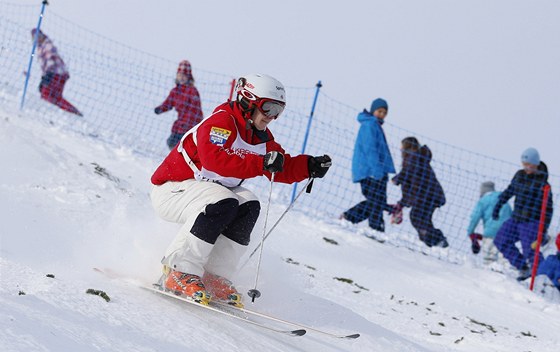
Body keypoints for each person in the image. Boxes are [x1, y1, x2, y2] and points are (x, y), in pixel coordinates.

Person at [150, 73, 332, 307]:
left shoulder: (260, 138)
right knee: (224, 200)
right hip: (171, 191)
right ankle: (178, 269)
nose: (272, 117)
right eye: (268, 107)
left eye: (278, 110)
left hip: (205, 195)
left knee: (249, 205)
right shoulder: (221, 122)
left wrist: (308, 166)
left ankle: (214, 275)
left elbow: (280, 166)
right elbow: (215, 160)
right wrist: (260, 162)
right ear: (248, 100)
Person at [492, 148, 554, 281]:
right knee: (501, 240)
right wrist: (499, 205)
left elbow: (548, 210)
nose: (526, 167)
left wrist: (543, 230)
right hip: (516, 218)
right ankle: (523, 268)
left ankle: (542, 277)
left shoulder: (543, 184)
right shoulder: (519, 175)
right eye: (524, 164)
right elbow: (510, 190)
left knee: (530, 250)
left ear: (536, 164)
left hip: (532, 221)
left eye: (529, 165)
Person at [341, 98, 396, 232]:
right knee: (376, 202)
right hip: (370, 171)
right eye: (379, 111)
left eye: (384, 112)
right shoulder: (370, 125)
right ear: (373, 110)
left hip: (376, 171)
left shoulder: (375, 125)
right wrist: (377, 171)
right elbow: (370, 149)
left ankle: (349, 217)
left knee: (375, 202)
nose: (382, 114)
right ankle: (375, 229)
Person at [391, 137, 448, 248]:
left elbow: (410, 176)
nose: (400, 150)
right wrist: (402, 203)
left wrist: (398, 178)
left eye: (402, 147)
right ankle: (431, 242)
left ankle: (436, 240)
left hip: (427, 196)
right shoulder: (418, 159)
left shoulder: (413, 159)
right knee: (423, 219)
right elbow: (411, 183)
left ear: (407, 147)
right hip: (431, 195)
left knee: (416, 216)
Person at [31, 28, 82, 116]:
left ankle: (70, 113)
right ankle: (71, 112)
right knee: (54, 96)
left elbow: (51, 59)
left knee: (46, 93)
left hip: (56, 73)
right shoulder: (40, 47)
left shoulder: (47, 45)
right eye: (35, 38)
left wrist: (48, 74)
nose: (37, 39)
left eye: (39, 36)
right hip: (57, 73)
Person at [154, 60, 204, 149]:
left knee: (181, 145)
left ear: (189, 77)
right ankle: (175, 160)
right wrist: (160, 109)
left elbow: (196, 110)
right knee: (171, 142)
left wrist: (194, 125)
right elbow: (169, 103)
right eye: (180, 75)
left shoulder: (192, 91)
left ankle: (181, 159)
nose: (181, 78)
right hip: (179, 125)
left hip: (189, 126)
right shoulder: (175, 91)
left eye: (184, 76)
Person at [467, 181, 512, 263]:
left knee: (489, 259)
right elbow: (511, 215)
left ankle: (489, 274)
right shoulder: (503, 199)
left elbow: (474, 217)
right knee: (505, 259)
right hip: (506, 233)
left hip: (490, 234)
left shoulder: (483, 201)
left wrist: (470, 232)